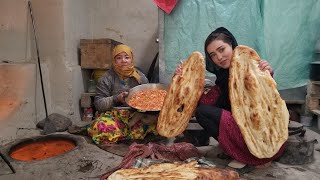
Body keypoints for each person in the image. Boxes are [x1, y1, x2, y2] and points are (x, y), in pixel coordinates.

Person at [175, 27, 285, 166]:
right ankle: (235, 149)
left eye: (222, 49)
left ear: (232, 45)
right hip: (241, 128)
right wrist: (181, 79)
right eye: (213, 55)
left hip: (262, 135)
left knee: (204, 112)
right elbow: (202, 101)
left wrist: (268, 72)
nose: (219, 57)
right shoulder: (223, 77)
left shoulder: (251, 67)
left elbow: (268, 100)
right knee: (202, 110)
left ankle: (244, 154)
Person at [87, 44, 157, 144]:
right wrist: (116, 98)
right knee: (103, 127)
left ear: (131, 59)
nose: (123, 60)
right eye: (119, 58)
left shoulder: (140, 77)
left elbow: (149, 99)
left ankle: (124, 134)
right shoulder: (106, 79)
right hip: (113, 115)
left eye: (127, 57)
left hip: (136, 115)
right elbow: (98, 104)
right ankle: (126, 134)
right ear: (114, 61)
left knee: (159, 125)